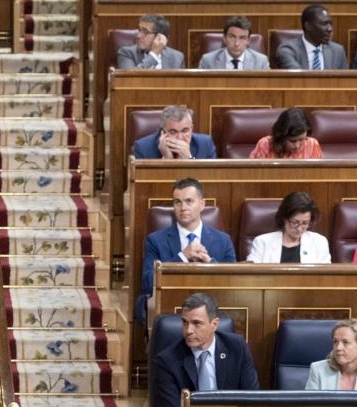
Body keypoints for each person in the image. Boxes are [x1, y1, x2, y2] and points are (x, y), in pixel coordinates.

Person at [151, 292, 259, 407]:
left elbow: (252, 400)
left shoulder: (237, 348)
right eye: (185, 322)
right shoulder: (167, 361)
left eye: (197, 323)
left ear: (214, 324)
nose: (188, 331)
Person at [137, 179, 235, 322]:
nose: (183, 207)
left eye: (189, 201)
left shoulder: (223, 240)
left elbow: (234, 282)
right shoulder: (155, 240)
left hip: (213, 310)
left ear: (202, 204)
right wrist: (182, 257)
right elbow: (146, 282)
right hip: (171, 310)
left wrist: (211, 263)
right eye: (178, 202)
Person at [247, 192, 330, 264]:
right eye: (294, 222)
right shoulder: (262, 242)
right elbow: (251, 274)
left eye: (305, 223)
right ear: (284, 218)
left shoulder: (319, 242)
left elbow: (326, 276)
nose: (299, 228)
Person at [275, 4, 348, 70]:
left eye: (330, 24)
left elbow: (345, 82)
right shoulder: (288, 50)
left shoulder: (338, 51)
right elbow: (299, 78)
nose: (330, 29)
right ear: (308, 26)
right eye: (324, 24)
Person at [132, 105, 217, 160]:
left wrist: (189, 159)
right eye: (173, 132)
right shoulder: (143, 148)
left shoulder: (206, 144)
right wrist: (167, 160)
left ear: (191, 129)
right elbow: (143, 187)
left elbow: (211, 182)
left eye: (185, 130)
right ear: (162, 132)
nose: (180, 137)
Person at [197, 16, 270, 70]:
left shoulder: (261, 62)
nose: (236, 43)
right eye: (232, 37)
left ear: (248, 40)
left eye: (242, 38)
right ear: (224, 38)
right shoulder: (207, 61)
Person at [249, 108, 322, 159]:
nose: (297, 145)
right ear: (281, 136)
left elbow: (319, 174)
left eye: (302, 139)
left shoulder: (312, 144)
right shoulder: (265, 144)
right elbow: (255, 174)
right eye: (292, 141)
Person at [116, 14, 184, 69]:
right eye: (139, 30)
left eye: (145, 32)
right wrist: (154, 55)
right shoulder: (126, 53)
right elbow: (129, 80)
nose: (138, 36)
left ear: (159, 37)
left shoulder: (177, 57)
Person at [306, 320, 357, 390]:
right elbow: (309, 400)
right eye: (335, 341)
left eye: (345, 342)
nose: (338, 347)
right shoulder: (318, 370)